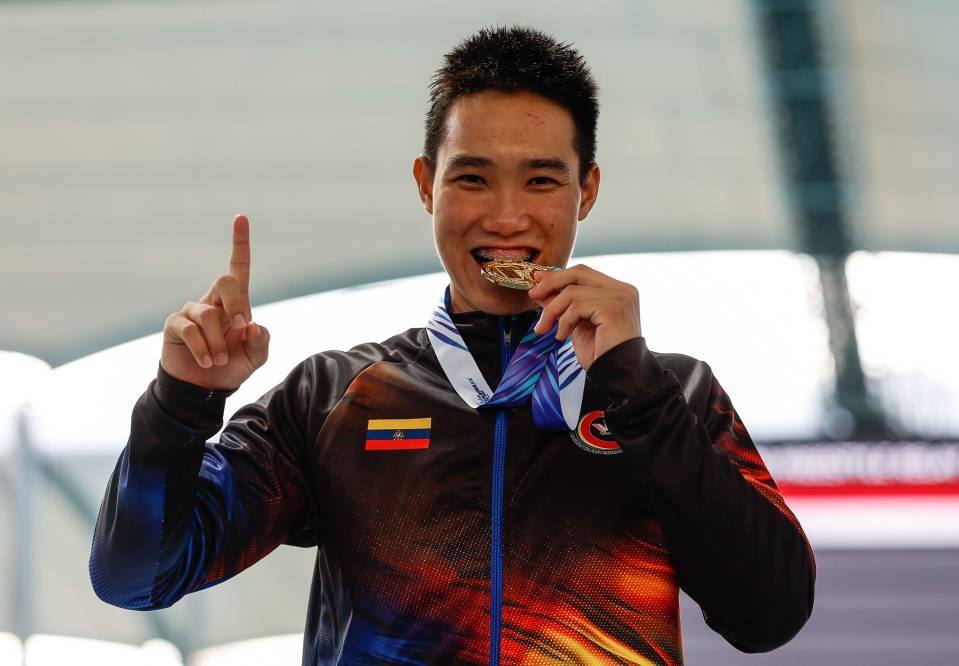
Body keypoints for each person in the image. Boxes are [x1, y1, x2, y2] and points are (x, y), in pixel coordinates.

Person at [91, 25, 814, 665]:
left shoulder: (672, 395)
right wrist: (181, 403)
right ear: (425, 184)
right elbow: (136, 576)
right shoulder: (332, 397)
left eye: (541, 180)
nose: (505, 217)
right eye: (472, 178)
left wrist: (637, 389)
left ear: (586, 191)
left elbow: (769, 616)